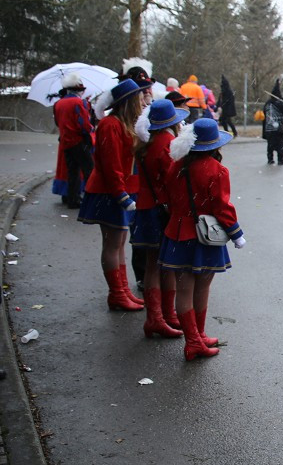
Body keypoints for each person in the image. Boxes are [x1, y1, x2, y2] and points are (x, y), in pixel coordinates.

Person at [160, 118, 245, 361]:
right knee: (203, 285)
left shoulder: (176, 166)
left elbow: (167, 195)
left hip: (177, 232)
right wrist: (236, 234)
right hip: (203, 235)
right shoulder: (217, 170)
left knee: (184, 288)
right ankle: (195, 340)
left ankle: (195, 337)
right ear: (214, 145)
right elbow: (222, 207)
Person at [77, 79, 147, 312]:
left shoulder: (124, 123)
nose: (142, 100)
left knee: (119, 243)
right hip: (110, 192)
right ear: (128, 101)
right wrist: (121, 195)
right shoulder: (110, 124)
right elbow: (111, 164)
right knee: (113, 243)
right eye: (138, 97)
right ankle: (116, 293)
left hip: (120, 191)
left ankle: (122, 290)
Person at [131, 99, 190, 338]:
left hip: (145, 207)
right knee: (161, 265)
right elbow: (171, 178)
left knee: (154, 264)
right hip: (159, 210)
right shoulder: (167, 143)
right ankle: (159, 317)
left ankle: (162, 315)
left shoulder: (147, 142)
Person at [51, 72, 94, 208]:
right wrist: (91, 131)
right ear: (78, 90)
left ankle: (72, 199)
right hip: (79, 141)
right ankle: (91, 198)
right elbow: (84, 124)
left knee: (72, 171)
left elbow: (58, 122)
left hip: (66, 141)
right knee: (89, 170)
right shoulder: (79, 102)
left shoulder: (58, 104)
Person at [262, 81, 283, 166]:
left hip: (269, 128)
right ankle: (280, 160)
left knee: (270, 144)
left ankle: (270, 159)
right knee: (280, 144)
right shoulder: (280, 103)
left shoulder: (267, 103)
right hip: (279, 128)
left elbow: (264, 114)